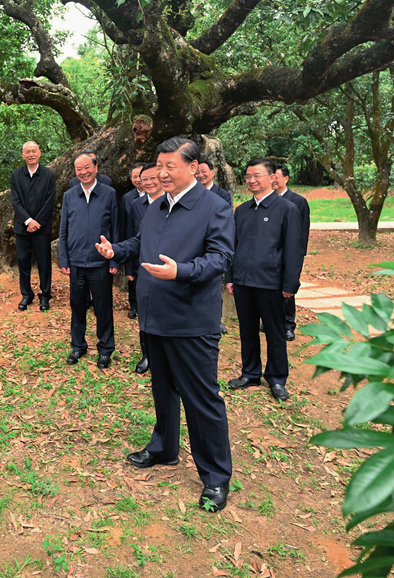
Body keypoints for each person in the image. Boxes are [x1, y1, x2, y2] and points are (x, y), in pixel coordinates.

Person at [95, 137, 234, 512]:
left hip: (191, 321)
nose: (161, 172)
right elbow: (141, 242)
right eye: (159, 165)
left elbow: (220, 259)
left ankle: (216, 477)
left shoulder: (214, 208)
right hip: (154, 317)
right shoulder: (157, 206)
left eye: (170, 165)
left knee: (202, 399)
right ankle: (164, 448)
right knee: (162, 390)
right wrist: (116, 250)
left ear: (192, 167)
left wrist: (181, 272)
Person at [226, 158, 304, 401]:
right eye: (248, 176)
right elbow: (233, 246)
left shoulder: (287, 209)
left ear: (272, 177)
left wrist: (290, 285)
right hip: (243, 282)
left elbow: (294, 250)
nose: (251, 180)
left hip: (271, 284)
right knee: (247, 331)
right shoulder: (242, 211)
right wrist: (231, 277)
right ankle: (250, 373)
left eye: (256, 175)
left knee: (275, 333)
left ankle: (277, 378)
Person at [60, 152, 118, 368]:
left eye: (87, 167)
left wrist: (114, 260)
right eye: (79, 169)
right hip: (76, 263)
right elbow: (64, 230)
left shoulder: (109, 194)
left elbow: (115, 229)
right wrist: (64, 259)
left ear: (96, 167)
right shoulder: (69, 195)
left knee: (103, 307)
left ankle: (105, 349)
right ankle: (78, 346)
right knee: (77, 305)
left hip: (100, 263)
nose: (83, 172)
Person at [125, 162, 163, 374]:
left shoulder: (173, 203)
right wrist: (129, 267)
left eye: (151, 178)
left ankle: (164, 356)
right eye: (143, 179)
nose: (147, 182)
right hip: (143, 268)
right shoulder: (136, 205)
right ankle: (147, 354)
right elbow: (132, 237)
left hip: (169, 271)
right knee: (145, 316)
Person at [10, 141, 56, 311]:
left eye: (33, 151)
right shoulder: (16, 175)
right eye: (27, 152)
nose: (31, 154)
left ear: (39, 153)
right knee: (23, 262)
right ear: (23, 155)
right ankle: (26, 295)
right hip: (22, 228)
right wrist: (28, 221)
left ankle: (45, 296)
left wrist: (37, 222)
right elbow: (15, 201)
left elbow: (50, 201)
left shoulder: (49, 175)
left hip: (42, 228)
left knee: (44, 262)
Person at [273, 163, 311, 341]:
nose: (273, 180)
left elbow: (303, 231)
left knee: (288, 288)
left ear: (286, 178)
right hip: (271, 253)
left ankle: (289, 324)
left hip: (291, 252)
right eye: (271, 176)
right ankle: (271, 321)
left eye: (277, 177)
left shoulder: (298, 201)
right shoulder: (267, 200)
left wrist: (298, 254)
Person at [196, 159, 233, 336]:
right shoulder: (190, 194)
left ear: (213, 172)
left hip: (212, 245)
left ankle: (215, 320)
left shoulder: (222, 195)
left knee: (214, 284)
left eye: (204, 171)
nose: (200, 175)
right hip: (194, 245)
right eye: (197, 172)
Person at [121, 162, 146, 319]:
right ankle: (133, 305)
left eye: (140, 176)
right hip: (133, 240)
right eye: (134, 176)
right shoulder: (128, 197)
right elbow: (125, 223)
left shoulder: (159, 195)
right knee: (133, 276)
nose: (138, 179)